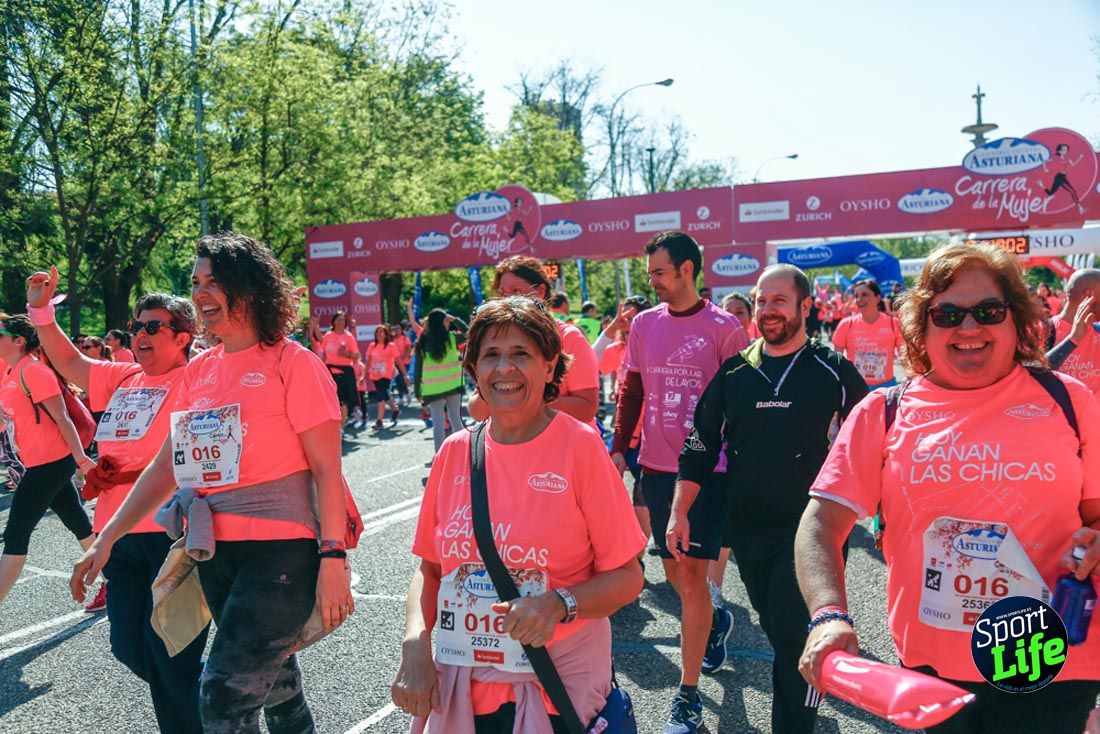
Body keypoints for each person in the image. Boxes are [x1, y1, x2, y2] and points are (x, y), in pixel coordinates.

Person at [796, 243, 1100, 734]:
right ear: (922, 325)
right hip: (932, 672)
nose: (969, 327)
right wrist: (827, 615)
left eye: (988, 311)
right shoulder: (883, 412)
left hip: (1051, 656)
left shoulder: (1069, 401)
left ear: (1016, 320)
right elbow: (821, 520)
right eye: (948, 314)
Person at [71, 231, 355, 734]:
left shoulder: (294, 363)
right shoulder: (199, 369)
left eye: (214, 281)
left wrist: (334, 559)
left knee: (223, 701)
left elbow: (327, 471)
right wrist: (106, 538)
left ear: (249, 288)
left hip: (281, 556)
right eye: (196, 281)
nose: (201, 293)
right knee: (278, 688)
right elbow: (167, 467)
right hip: (214, 554)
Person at [390, 297, 645, 732]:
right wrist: (416, 640)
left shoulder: (579, 447)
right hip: (462, 688)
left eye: (521, 354)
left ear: (549, 367)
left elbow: (627, 577)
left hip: (556, 687)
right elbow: (430, 570)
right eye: (491, 355)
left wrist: (558, 605)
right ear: (473, 370)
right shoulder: (455, 452)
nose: (504, 369)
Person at [674, 264, 867, 733]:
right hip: (747, 529)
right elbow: (699, 446)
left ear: (805, 307)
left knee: (790, 638)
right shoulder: (736, 372)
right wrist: (679, 511)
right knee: (775, 624)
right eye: (761, 300)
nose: (767, 309)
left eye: (779, 300)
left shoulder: (833, 370)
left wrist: (882, 516)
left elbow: (874, 440)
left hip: (810, 532)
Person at [28, 267, 208, 733]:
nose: (140, 334)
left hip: (174, 539)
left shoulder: (201, 377)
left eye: (153, 327)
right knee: (129, 646)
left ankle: (206, 710)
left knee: (171, 657)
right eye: (136, 326)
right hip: (117, 536)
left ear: (184, 337)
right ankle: (217, 698)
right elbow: (68, 363)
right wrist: (41, 310)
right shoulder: (124, 377)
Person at [610, 231, 748, 734]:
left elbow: (742, 401)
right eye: (650, 275)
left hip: (708, 472)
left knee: (690, 576)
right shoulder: (645, 324)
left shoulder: (725, 327)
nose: (653, 283)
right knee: (674, 576)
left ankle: (686, 695)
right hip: (656, 465)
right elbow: (632, 387)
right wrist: (620, 447)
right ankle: (713, 622)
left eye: (659, 273)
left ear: (688, 270)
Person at [0, 314, 97, 607]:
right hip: (38, 463)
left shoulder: (35, 372)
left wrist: (81, 459)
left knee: (15, 535)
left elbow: (63, 417)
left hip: (53, 463)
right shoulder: (9, 374)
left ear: (18, 341)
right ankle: (116, 577)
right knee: (77, 521)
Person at [469, 257, 599, 425]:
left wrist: (520, 399)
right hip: (515, 446)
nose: (507, 300)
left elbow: (587, 408)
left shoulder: (569, 337)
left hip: (568, 446)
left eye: (515, 291)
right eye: (502, 293)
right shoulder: (494, 339)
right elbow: (477, 411)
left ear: (540, 292)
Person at [831, 279, 905, 389]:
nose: (859, 299)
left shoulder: (893, 323)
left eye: (864, 295)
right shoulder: (846, 324)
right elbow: (837, 361)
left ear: (878, 298)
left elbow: (905, 357)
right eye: (856, 296)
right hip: (856, 388)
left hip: (885, 389)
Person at [414, 308, 466, 455]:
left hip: (432, 388)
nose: (448, 323)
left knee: (438, 425)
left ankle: (439, 457)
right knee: (456, 420)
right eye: (446, 320)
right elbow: (469, 331)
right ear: (442, 322)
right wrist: (455, 318)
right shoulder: (451, 338)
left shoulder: (422, 341)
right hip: (453, 385)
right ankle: (463, 454)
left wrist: (417, 391)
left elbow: (418, 368)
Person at [1048, 268, 1100, 395]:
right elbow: (1031, 374)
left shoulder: (1097, 331)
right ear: (1089, 296)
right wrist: (1073, 339)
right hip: (1061, 414)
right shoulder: (1043, 330)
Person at [321, 311, 360, 429]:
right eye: (338, 319)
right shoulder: (328, 336)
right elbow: (323, 355)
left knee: (342, 401)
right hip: (330, 371)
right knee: (331, 400)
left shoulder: (349, 337)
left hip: (344, 372)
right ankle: (334, 426)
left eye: (342, 319)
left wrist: (346, 354)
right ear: (333, 321)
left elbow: (357, 356)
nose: (340, 322)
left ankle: (341, 428)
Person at [368, 324, 406, 431]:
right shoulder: (372, 346)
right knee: (384, 395)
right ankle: (395, 409)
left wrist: (405, 374)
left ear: (386, 334)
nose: (379, 334)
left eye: (381, 332)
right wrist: (363, 375)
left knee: (381, 396)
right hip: (374, 375)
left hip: (386, 375)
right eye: (377, 332)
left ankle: (379, 421)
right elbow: (368, 362)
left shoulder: (391, 346)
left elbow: (398, 361)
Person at [1038, 142, 1087, 215]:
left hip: (1063, 177)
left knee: (1052, 193)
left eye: (1066, 150)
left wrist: (1079, 158)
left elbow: (1073, 164)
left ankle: (1041, 185)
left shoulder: (1067, 158)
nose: (1066, 151)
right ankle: (1080, 208)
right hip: (1059, 177)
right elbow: (1044, 161)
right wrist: (1045, 168)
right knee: (1072, 192)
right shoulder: (1055, 158)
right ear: (1059, 151)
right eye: (1064, 150)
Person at [390, 323, 413, 406]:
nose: (396, 330)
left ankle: (406, 394)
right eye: (395, 329)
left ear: (401, 330)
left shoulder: (405, 339)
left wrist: (401, 359)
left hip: (405, 363)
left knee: (402, 379)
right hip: (395, 364)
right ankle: (401, 397)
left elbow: (408, 350)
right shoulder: (393, 340)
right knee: (398, 380)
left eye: (398, 329)